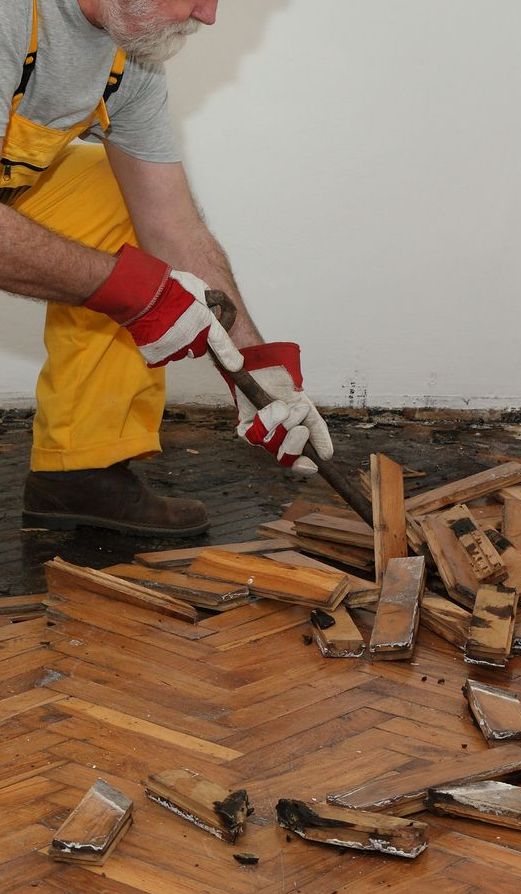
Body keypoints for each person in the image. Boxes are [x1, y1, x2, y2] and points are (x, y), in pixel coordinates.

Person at [0, 0, 332, 537]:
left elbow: (172, 227)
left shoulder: (127, 61)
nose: (208, 15)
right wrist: (140, 295)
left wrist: (254, 365)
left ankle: (79, 469)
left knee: (115, 197)